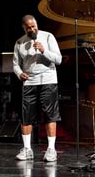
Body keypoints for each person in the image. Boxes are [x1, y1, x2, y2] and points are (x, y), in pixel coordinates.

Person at [13, 14, 62, 162]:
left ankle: (51, 149)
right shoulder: (19, 42)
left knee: (50, 114)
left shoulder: (48, 37)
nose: (32, 29)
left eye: (34, 26)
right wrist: (19, 73)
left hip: (48, 79)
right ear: (24, 28)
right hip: (29, 82)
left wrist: (43, 50)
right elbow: (15, 63)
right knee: (26, 115)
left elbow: (58, 59)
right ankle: (27, 149)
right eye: (29, 28)